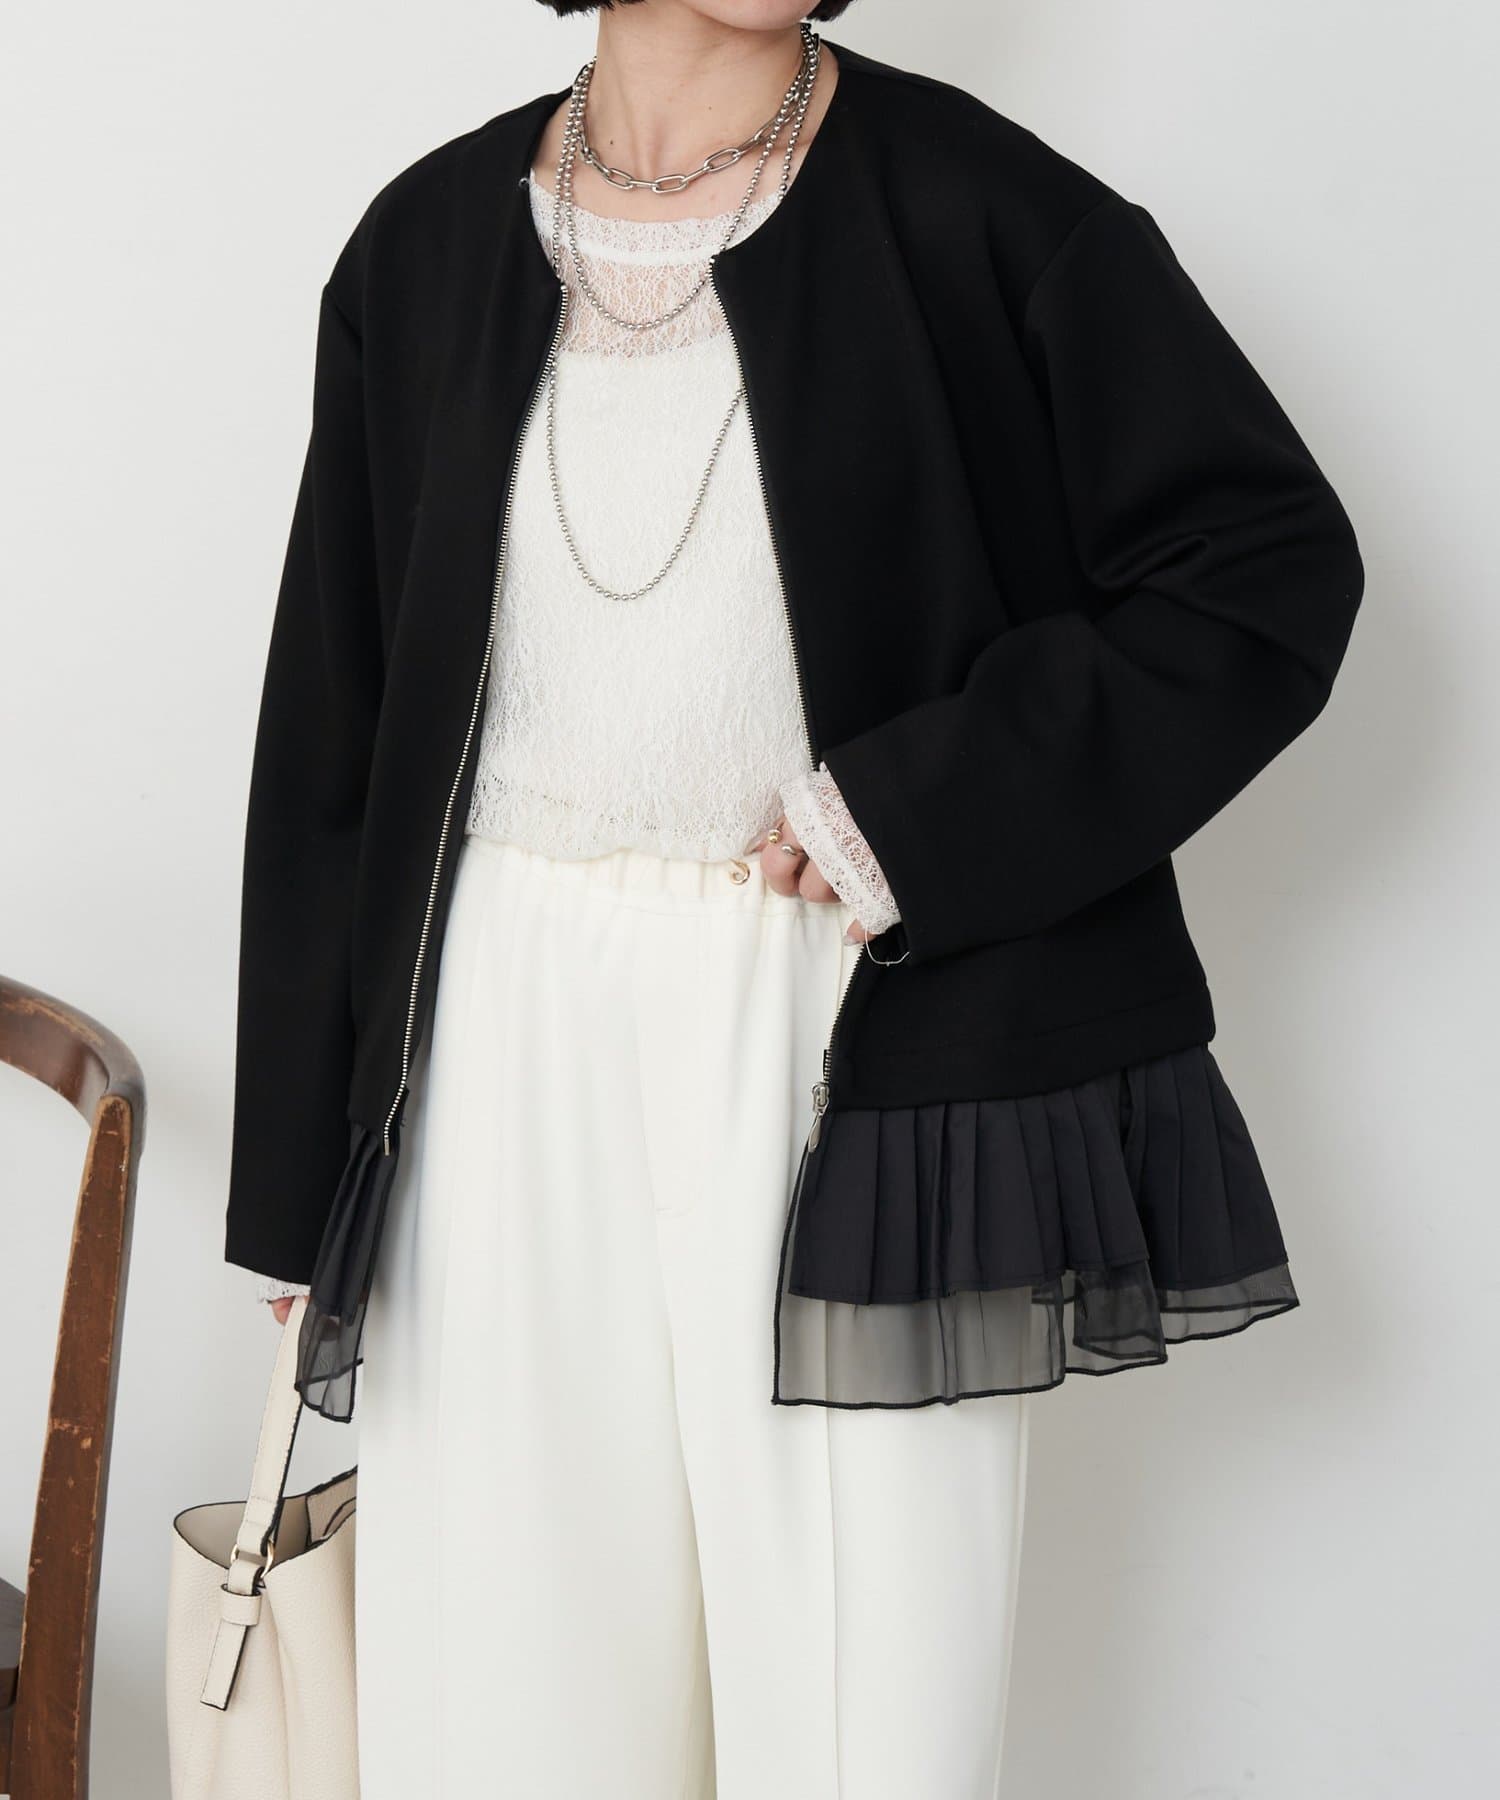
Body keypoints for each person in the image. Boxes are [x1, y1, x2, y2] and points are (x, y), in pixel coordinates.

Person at [223, 2, 1364, 1794]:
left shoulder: (988, 209)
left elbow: (1264, 571)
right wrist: (305, 1181)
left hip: (847, 1020)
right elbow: (332, 726)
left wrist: (920, 814)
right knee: (509, 1705)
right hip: (495, 1026)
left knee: (859, 1710)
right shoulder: (428, 240)